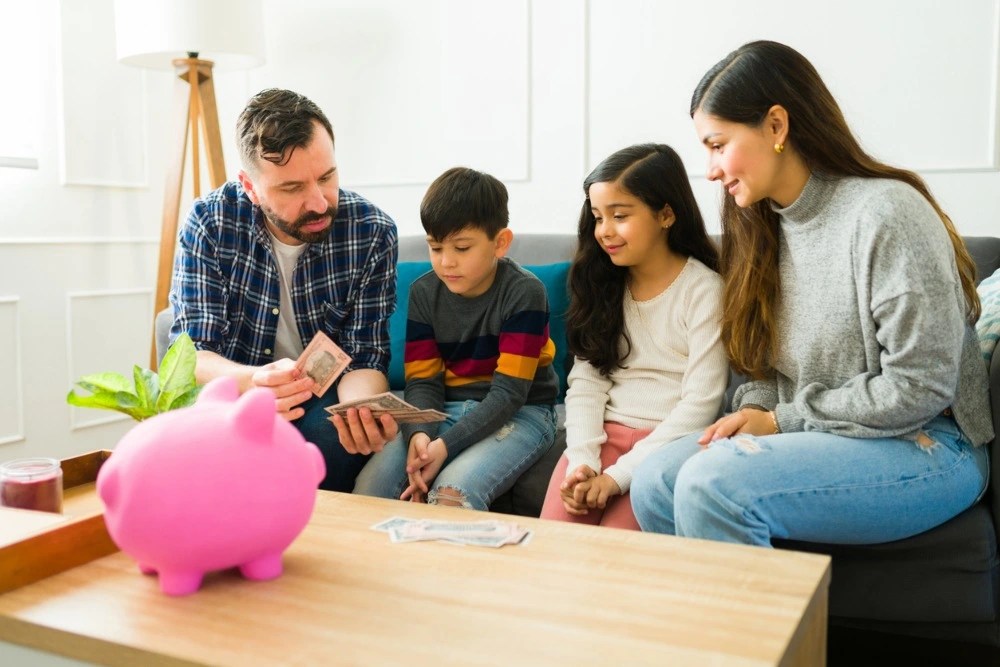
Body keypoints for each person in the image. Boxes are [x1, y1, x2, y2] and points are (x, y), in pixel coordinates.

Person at [631, 41, 994, 546]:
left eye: (718, 144)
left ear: (776, 126)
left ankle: (755, 626)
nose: (710, 169)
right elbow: (764, 370)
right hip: (822, 433)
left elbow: (920, 387)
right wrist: (752, 416)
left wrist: (781, 421)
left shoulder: (885, 214)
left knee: (711, 483)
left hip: (927, 443)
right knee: (655, 481)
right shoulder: (759, 227)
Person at [169, 88, 400, 492]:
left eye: (327, 177)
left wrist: (360, 410)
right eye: (292, 189)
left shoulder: (371, 232)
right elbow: (191, 357)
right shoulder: (210, 224)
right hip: (239, 390)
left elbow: (365, 354)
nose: (318, 202)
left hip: (321, 401)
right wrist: (255, 381)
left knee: (332, 436)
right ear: (250, 186)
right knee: (214, 437)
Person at [539, 144, 729, 530]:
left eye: (620, 216)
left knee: (614, 566)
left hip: (666, 448)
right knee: (551, 554)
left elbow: (701, 404)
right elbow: (586, 384)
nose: (605, 231)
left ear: (666, 214)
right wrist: (582, 462)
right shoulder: (602, 283)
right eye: (597, 217)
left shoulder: (705, 290)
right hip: (597, 440)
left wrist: (617, 477)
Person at [353, 167, 558, 508]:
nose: (446, 262)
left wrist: (444, 447)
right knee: (370, 490)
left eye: (462, 248)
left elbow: (509, 394)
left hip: (523, 412)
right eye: (435, 247)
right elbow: (423, 383)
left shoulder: (525, 293)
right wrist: (419, 434)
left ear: (500, 243)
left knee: (451, 494)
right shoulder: (423, 293)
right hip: (443, 409)